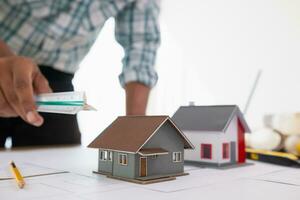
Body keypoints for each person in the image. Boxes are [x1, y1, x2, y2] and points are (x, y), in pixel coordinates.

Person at [0, 0, 160, 147]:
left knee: (58, 165)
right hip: (3, 61)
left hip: (54, 84)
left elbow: (141, 45)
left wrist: (135, 128)